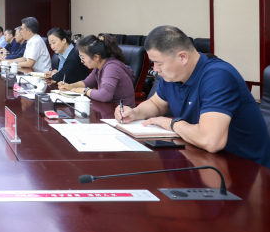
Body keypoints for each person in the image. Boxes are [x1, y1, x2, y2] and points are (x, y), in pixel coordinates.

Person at [116, 25, 270, 168]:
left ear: (182, 57)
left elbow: (210, 141)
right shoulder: (172, 76)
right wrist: (134, 112)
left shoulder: (218, 77)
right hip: (202, 158)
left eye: (159, 63)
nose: (155, 69)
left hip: (246, 168)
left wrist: (172, 124)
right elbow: (156, 104)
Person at [60, 34, 135, 107]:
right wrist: (70, 86)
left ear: (96, 57)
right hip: (108, 108)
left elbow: (105, 95)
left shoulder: (111, 67)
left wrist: (85, 91)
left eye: (83, 58)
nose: (81, 61)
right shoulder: (99, 66)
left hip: (122, 111)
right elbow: (86, 83)